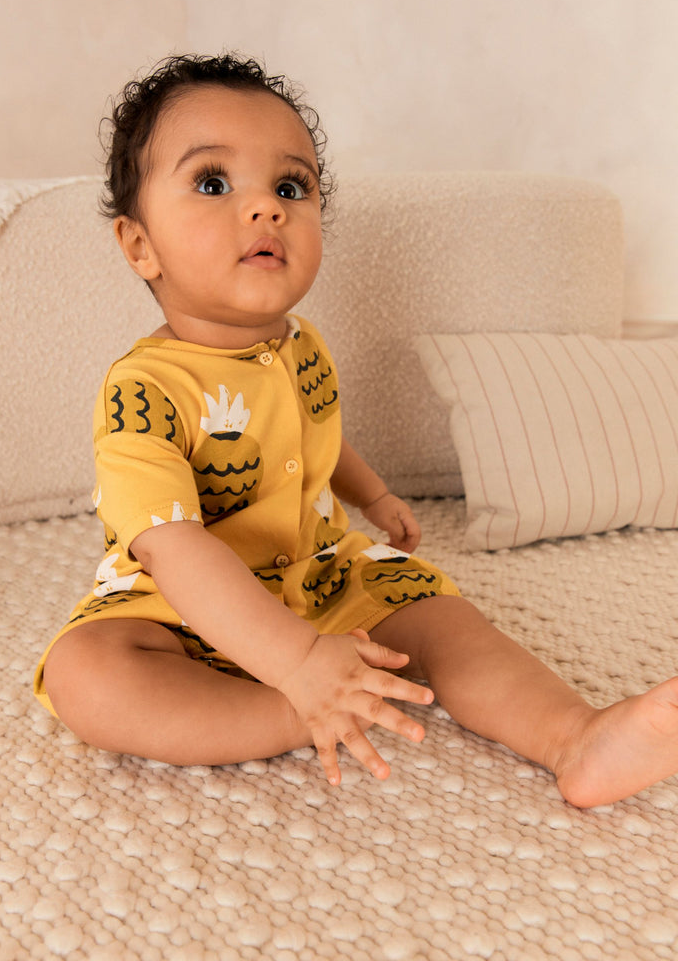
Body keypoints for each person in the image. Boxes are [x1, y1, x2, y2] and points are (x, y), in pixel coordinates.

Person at [35, 54, 678, 809]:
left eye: (290, 187)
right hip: (186, 605)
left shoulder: (301, 345)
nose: (266, 208)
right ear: (139, 245)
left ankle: (576, 738)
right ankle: (291, 711)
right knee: (87, 675)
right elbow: (171, 545)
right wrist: (299, 664)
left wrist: (371, 495)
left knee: (448, 623)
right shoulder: (142, 391)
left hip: (323, 574)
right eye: (213, 183)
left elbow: (314, 434)